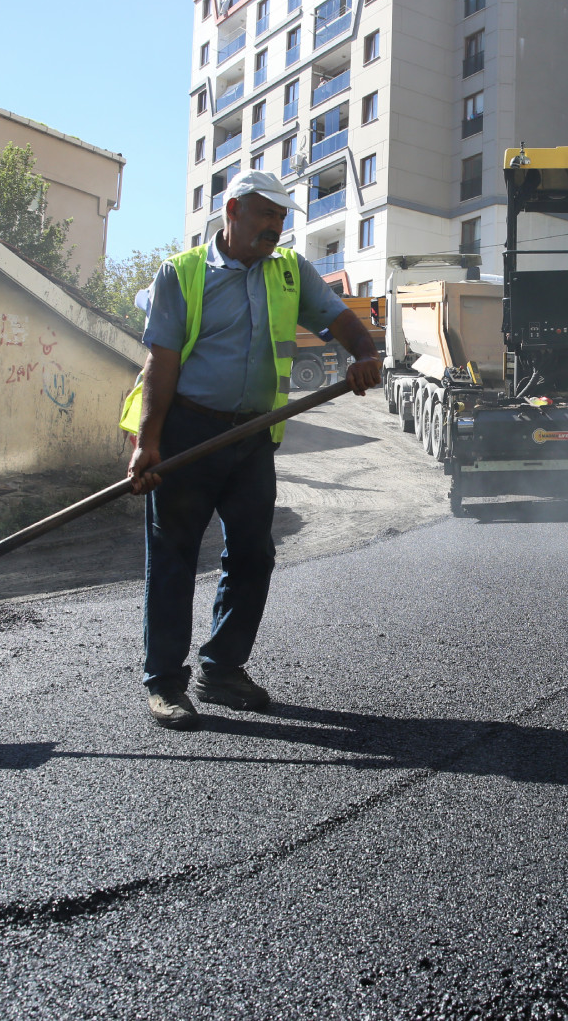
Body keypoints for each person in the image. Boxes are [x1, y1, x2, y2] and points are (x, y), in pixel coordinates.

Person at [123, 170, 382, 730]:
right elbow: (160, 365)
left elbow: (342, 321)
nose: (276, 227)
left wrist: (366, 352)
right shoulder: (183, 274)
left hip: (253, 436)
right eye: (267, 215)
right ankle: (165, 683)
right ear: (234, 210)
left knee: (253, 554)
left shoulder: (288, 271)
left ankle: (221, 670)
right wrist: (148, 444)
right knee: (173, 558)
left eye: (283, 219)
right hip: (189, 433)